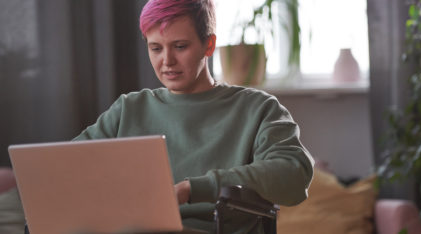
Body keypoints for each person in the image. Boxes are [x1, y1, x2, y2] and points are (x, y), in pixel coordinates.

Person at [73, 0, 314, 233]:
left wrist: (195, 189)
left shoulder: (257, 108)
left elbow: (294, 173)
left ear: (209, 45)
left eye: (180, 46)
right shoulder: (129, 109)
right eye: (155, 48)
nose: (166, 61)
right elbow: (63, 165)